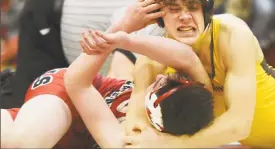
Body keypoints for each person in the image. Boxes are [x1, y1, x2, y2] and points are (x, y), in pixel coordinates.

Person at [84, 0, 275, 149]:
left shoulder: (231, 34)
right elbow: (135, 128)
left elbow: (239, 125)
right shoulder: (154, 58)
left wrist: (168, 144)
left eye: (193, 7)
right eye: (174, 9)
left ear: (206, 11)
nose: (185, 16)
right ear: (158, 15)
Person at [1, 30, 215, 148]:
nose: (160, 75)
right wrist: (124, 37)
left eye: (164, 83)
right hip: (67, 92)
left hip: (75, 121)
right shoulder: (193, 100)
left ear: (155, 105)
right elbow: (76, 82)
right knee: (24, 144)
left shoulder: (130, 138)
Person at [1, 0, 165, 109]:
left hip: (73, 43)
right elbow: (119, 87)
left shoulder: (176, 16)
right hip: (50, 16)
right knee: (28, 106)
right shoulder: (157, 18)